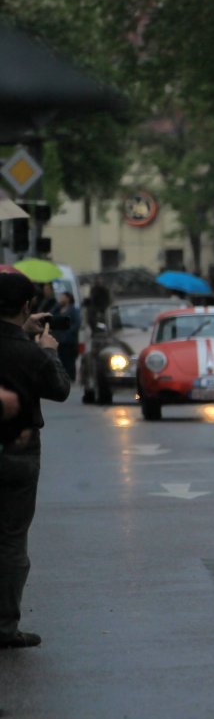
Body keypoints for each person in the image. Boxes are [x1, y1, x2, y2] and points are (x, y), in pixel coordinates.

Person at [0, 267, 71, 651]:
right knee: (11, 540)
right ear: (27, 306)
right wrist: (48, 351)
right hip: (18, 453)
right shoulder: (31, 353)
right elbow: (59, 389)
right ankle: (5, 626)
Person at [50, 292, 81, 381]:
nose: (61, 299)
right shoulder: (59, 309)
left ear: (68, 298)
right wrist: (57, 306)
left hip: (69, 341)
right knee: (61, 360)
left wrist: (68, 331)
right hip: (59, 339)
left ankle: (70, 378)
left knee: (69, 360)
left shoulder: (73, 310)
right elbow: (51, 315)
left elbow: (77, 323)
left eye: (63, 297)